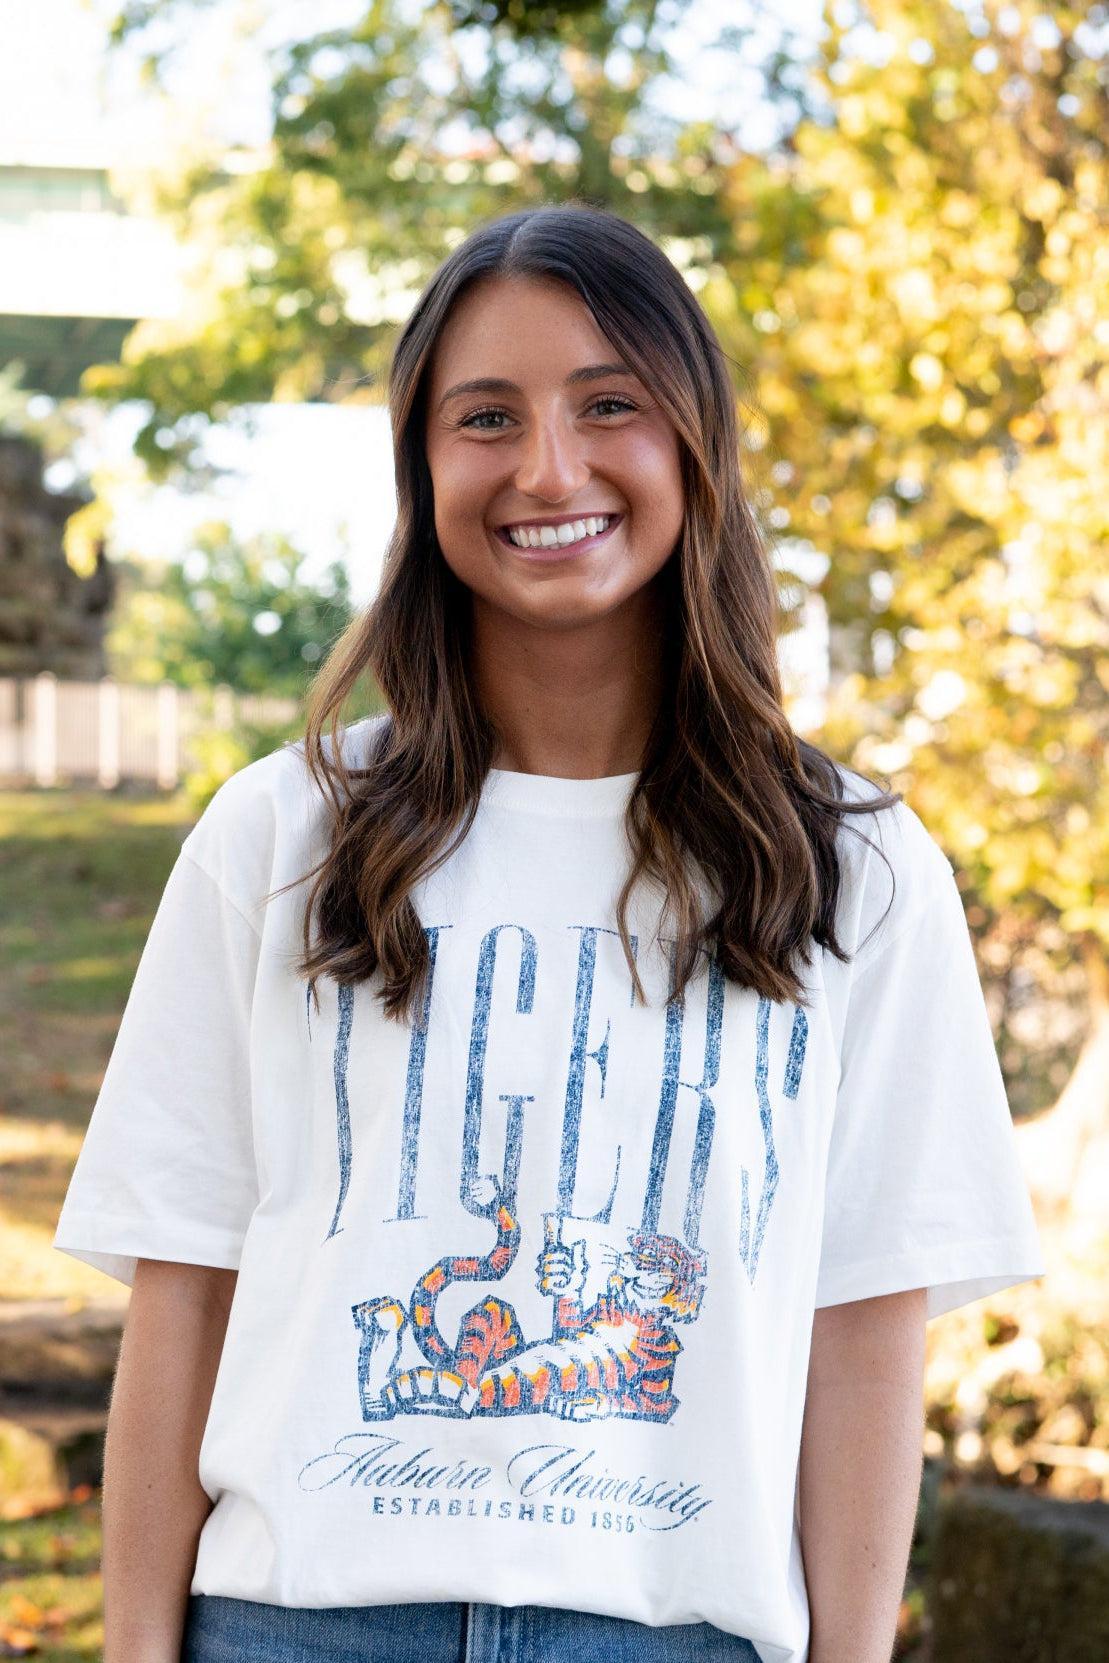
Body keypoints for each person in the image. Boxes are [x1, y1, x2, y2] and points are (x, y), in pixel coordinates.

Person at [53, 202, 1045, 1663]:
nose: (548, 469)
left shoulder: (853, 868)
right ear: (420, 466)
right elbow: (185, 1289)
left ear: (692, 444)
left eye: (607, 406)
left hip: (675, 1636)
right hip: (299, 1629)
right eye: (485, 417)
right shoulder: (281, 839)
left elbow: (861, 1329)